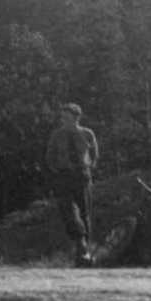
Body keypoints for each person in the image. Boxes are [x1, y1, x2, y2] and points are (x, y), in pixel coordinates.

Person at [45, 102, 99, 266]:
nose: (63, 121)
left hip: (82, 175)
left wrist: (87, 170)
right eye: (62, 118)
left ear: (77, 118)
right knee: (69, 211)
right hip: (64, 176)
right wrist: (59, 170)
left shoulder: (88, 134)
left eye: (67, 118)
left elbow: (94, 155)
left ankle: (85, 253)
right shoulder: (57, 135)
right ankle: (80, 244)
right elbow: (50, 156)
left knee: (85, 213)